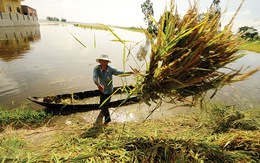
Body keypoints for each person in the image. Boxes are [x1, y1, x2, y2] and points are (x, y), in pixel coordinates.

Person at [93, 54, 133, 126]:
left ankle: (107, 120)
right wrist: (98, 84)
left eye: (106, 61)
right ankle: (102, 111)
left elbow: (119, 73)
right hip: (101, 89)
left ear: (108, 62)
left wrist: (129, 73)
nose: (104, 63)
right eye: (102, 61)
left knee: (105, 105)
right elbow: (95, 77)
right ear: (100, 62)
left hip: (109, 90)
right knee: (102, 102)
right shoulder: (96, 68)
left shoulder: (110, 69)